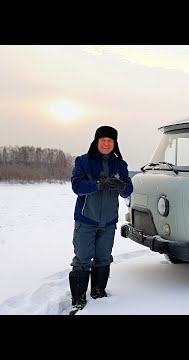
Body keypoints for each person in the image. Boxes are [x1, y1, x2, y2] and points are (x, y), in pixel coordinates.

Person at [69, 125, 133, 314]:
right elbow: (77, 186)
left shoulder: (120, 165)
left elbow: (128, 191)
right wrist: (98, 184)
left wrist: (121, 185)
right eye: (103, 140)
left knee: (103, 258)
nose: (106, 143)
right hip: (86, 220)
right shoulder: (83, 161)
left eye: (110, 141)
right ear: (96, 141)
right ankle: (78, 300)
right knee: (81, 260)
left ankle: (98, 294)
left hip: (108, 222)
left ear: (115, 143)